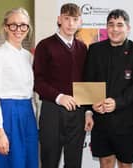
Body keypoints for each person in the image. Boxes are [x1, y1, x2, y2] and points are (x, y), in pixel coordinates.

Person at [84, 9, 133, 168]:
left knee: (126, 164)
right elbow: (88, 82)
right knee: (105, 162)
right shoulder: (95, 50)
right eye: (111, 25)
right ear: (106, 27)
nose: (115, 29)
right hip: (101, 120)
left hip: (128, 120)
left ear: (128, 28)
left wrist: (117, 102)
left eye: (120, 25)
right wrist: (90, 108)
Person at [33, 3, 90, 168]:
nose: (70, 23)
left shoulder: (82, 48)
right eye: (66, 18)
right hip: (52, 110)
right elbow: (38, 81)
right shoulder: (45, 45)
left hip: (77, 112)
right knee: (50, 161)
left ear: (80, 22)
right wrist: (59, 97)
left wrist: (87, 111)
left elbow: (85, 81)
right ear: (59, 19)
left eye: (75, 19)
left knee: (74, 162)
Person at [0, 7, 38, 168]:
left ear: (28, 28)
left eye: (23, 25)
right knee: (8, 162)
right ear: (6, 27)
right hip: (7, 114)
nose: (18, 30)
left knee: (29, 161)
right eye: (13, 25)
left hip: (28, 115)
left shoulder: (29, 57)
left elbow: (31, 93)